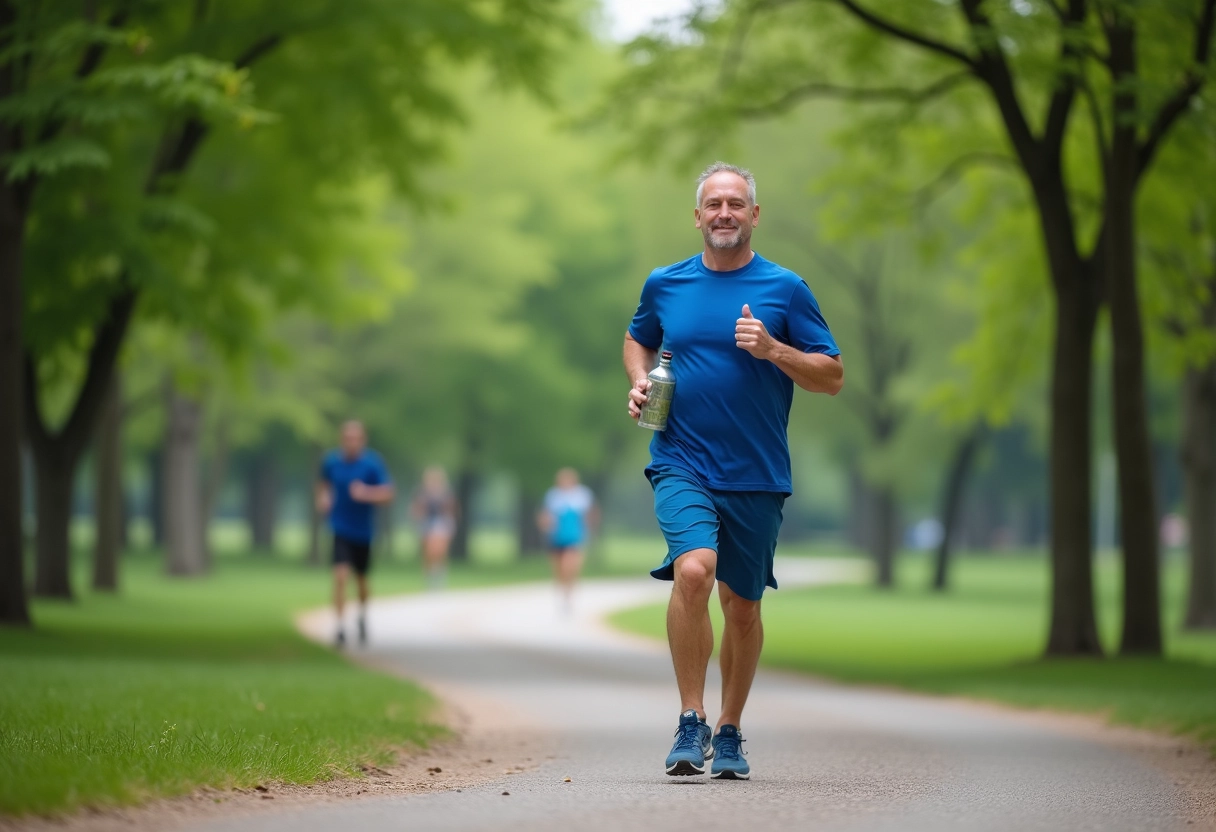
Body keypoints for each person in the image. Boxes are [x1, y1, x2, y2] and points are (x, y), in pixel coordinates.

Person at [623, 162, 843, 780]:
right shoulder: (665, 284)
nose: (724, 212)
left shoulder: (786, 289)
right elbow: (636, 339)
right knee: (694, 571)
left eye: (736, 203)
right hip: (681, 460)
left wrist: (774, 349)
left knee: (741, 608)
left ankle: (730, 729)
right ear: (698, 216)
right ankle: (690, 719)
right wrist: (641, 383)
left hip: (757, 472)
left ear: (753, 214)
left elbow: (832, 376)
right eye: (713, 203)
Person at [315, 420, 395, 647]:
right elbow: (323, 485)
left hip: (364, 531)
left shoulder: (372, 464)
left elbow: (389, 493)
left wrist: (366, 493)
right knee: (340, 575)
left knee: (361, 579)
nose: (350, 442)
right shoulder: (331, 462)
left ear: (362, 440)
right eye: (346, 438)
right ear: (341, 439)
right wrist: (323, 498)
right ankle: (340, 627)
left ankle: (362, 615)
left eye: (355, 438)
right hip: (339, 527)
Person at [536, 468, 598, 613]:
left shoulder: (582, 495)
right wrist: (545, 524)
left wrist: (589, 528)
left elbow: (591, 513)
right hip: (557, 537)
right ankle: (563, 594)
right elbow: (545, 515)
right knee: (559, 569)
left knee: (570, 566)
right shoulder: (553, 496)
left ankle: (569, 596)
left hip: (575, 537)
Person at [411, 466, 457, 590]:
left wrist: (450, 523)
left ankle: (440, 577)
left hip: (441, 522)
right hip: (427, 522)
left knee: (441, 551)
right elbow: (417, 509)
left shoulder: (445, 493)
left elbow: (450, 509)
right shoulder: (422, 493)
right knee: (428, 553)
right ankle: (429, 579)